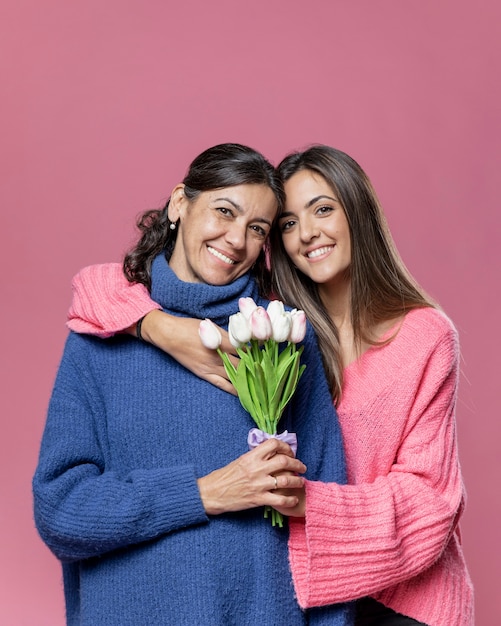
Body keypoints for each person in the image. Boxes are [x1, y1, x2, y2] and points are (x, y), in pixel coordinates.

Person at [65, 145, 474, 626]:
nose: (307, 234)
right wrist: (158, 326)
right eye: (287, 224)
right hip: (308, 591)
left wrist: (299, 499)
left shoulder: (423, 335)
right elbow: (95, 286)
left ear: (358, 213)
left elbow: (430, 504)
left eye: (323, 209)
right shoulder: (275, 325)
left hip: (403, 600)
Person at [32, 143, 353, 626]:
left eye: (258, 229)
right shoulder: (100, 338)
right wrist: (205, 492)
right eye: (224, 211)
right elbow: (60, 512)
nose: (236, 240)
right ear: (180, 203)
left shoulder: (285, 337)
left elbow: (329, 530)